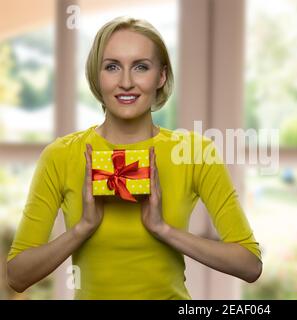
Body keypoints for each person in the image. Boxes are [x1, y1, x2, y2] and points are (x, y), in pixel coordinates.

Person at [6, 17, 262, 299]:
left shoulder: (195, 153)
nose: (126, 82)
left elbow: (249, 265)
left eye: (141, 67)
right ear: (96, 75)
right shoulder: (60, 155)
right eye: (112, 67)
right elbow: (18, 275)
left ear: (161, 76)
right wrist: (83, 228)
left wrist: (163, 229)